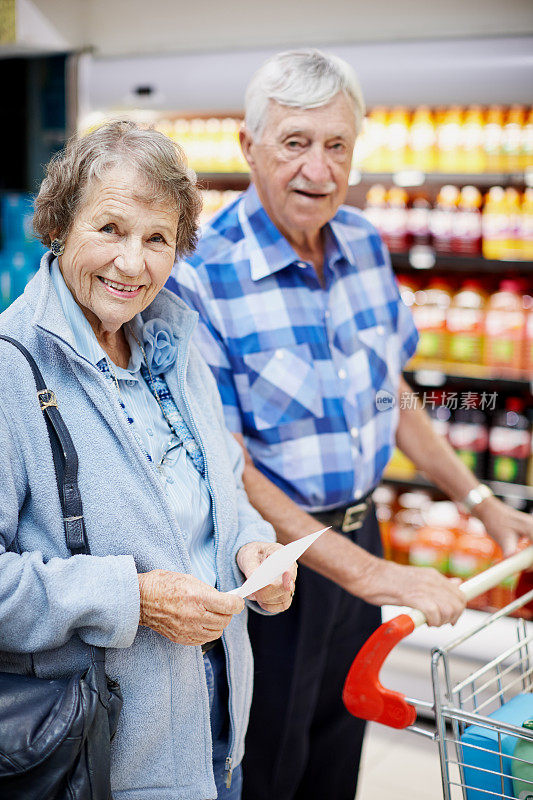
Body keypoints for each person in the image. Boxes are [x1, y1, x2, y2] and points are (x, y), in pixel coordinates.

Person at [168, 49, 533, 800]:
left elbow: (387, 397)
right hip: (271, 563)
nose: (318, 169)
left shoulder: (364, 244)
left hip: (362, 538)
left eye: (336, 145)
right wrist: (371, 575)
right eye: (295, 142)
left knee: (340, 754)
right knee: (265, 764)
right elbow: (224, 459)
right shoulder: (201, 273)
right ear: (248, 147)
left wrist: (479, 502)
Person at [0, 120, 298, 800]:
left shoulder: (171, 343)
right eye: (109, 229)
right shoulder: (9, 368)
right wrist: (132, 598)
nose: (132, 263)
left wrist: (253, 546)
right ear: (59, 226)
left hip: (214, 737)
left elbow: (220, 481)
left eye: (157, 239)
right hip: (101, 760)